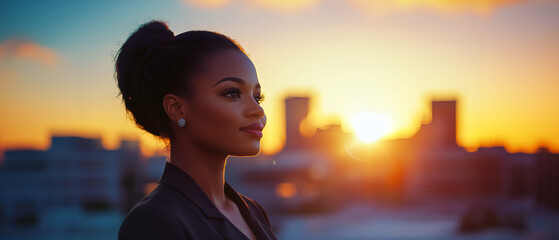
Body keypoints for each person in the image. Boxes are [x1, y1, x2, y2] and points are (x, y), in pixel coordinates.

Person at [116, 21, 277, 240]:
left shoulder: (253, 210)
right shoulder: (153, 221)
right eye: (232, 93)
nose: (258, 110)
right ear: (177, 109)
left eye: (257, 97)